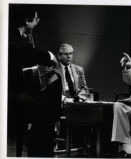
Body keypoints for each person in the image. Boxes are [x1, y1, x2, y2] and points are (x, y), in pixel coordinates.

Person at [8, 5, 60, 157]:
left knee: (46, 100)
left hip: (13, 91)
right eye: (36, 18)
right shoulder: (12, 37)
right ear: (26, 20)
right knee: (45, 108)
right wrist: (48, 56)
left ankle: (39, 148)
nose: (38, 21)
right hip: (10, 95)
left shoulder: (17, 38)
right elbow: (21, 51)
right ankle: (40, 152)